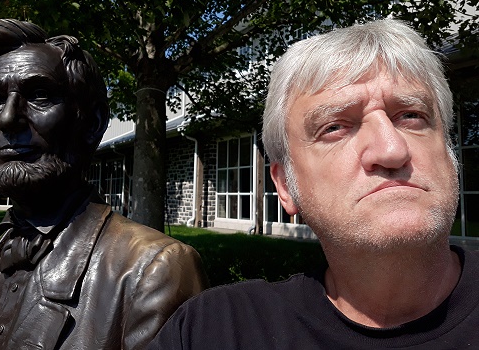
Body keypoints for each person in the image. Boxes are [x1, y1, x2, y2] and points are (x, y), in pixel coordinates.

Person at [149, 19, 479, 349]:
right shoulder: (212, 330)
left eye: (411, 116)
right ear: (286, 186)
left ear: (450, 157)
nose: (391, 150)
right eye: (334, 127)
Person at [0, 16, 208, 350]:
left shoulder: (154, 270)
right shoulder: (7, 247)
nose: (8, 117)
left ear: (93, 123)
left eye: (40, 95)